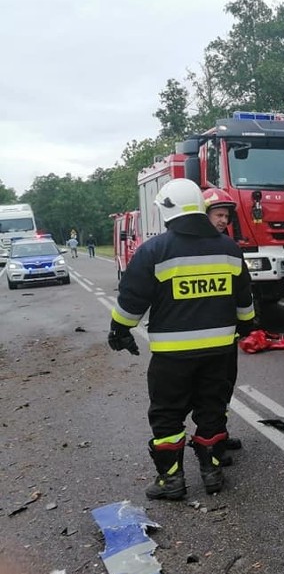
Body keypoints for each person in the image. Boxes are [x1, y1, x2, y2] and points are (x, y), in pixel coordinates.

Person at [108, 179, 255, 500]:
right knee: (212, 409)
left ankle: (171, 480)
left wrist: (119, 331)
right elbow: (245, 299)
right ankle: (212, 471)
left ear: (168, 210)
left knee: (167, 415)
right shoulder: (229, 249)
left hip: (172, 356)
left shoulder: (154, 250)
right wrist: (245, 326)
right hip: (219, 352)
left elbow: (132, 300)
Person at [202, 187, 248, 462]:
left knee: (224, 388)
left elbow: (242, 291)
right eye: (218, 215)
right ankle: (210, 447)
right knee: (207, 392)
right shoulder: (195, 247)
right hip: (201, 336)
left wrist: (245, 324)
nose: (223, 221)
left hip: (225, 333)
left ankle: (219, 434)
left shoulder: (228, 247)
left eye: (226, 216)